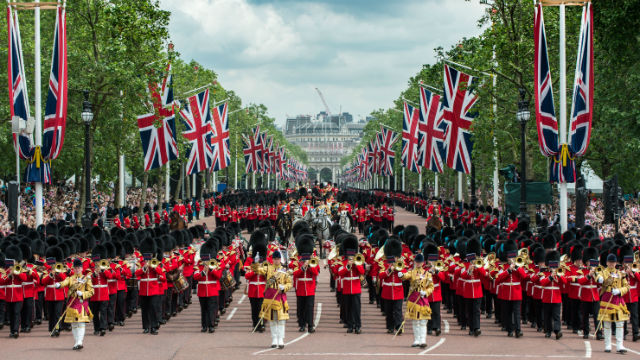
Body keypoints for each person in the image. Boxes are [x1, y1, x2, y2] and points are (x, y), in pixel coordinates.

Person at [57, 259, 95, 350]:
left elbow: (92, 291)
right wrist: (59, 285)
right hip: (72, 303)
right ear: (73, 269)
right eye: (76, 268)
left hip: (81, 303)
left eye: (79, 268)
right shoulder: (70, 278)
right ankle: (76, 342)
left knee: (81, 322)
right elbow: (64, 283)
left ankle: (80, 341)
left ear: (81, 268)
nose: (77, 269)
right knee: (74, 323)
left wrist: (83, 294)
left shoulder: (86, 279)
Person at [598, 253, 630, 354]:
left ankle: (620, 345)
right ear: (607, 263)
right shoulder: (603, 272)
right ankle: (608, 345)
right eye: (610, 262)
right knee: (607, 323)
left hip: (618, 300)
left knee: (619, 323)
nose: (611, 264)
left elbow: (627, 287)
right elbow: (598, 277)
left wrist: (620, 290)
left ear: (616, 263)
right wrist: (600, 279)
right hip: (607, 299)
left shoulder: (621, 274)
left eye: (613, 262)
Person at [259, 250, 292, 349]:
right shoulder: (268, 268)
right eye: (275, 259)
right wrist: (256, 263)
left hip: (280, 297)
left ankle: (281, 339)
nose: (276, 261)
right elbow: (259, 270)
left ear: (280, 259)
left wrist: (284, 287)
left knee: (281, 320)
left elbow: (289, 283)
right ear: (272, 259)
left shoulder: (284, 271)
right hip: (270, 297)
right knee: (272, 319)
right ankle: (274, 339)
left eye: (278, 259)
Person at [403, 253, 434, 348]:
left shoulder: (427, 274)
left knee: (423, 321)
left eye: (420, 262)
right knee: (415, 321)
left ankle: (423, 340)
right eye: (417, 262)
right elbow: (405, 276)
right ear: (415, 262)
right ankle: (416, 340)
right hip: (413, 298)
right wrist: (401, 274)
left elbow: (431, 287)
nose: (418, 263)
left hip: (423, 298)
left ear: (423, 263)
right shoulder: (412, 272)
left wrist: (426, 292)